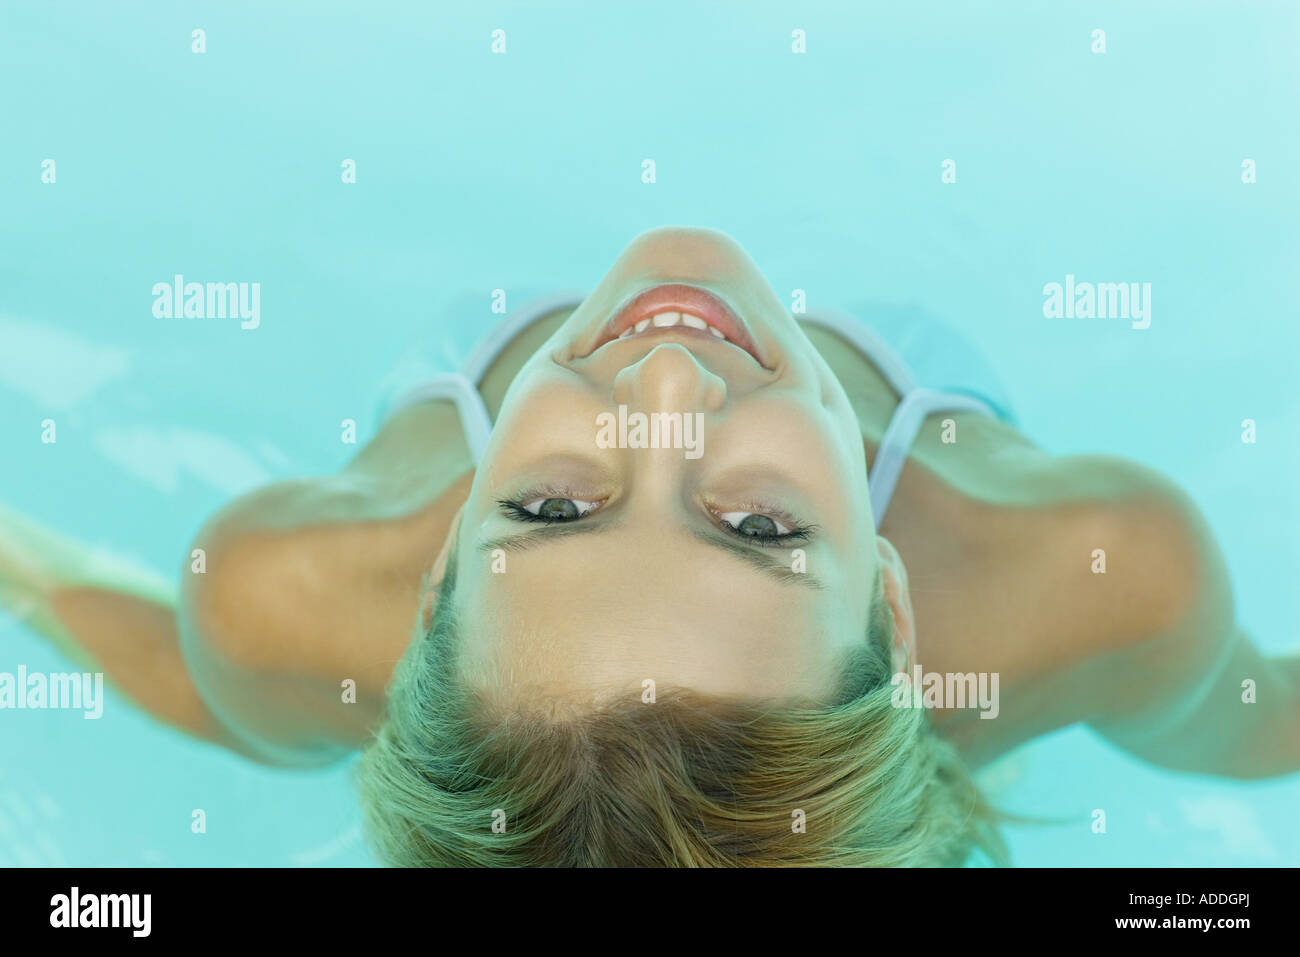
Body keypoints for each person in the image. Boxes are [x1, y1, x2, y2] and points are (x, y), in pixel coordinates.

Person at [3, 226, 1296, 867]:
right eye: (764, 529)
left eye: (553, 510)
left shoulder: (282, 594)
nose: (671, 383)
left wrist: (19, 558)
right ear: (896, 616)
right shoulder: (1101, 576)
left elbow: (194, 680)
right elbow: (1256, 723)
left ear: (443, 566)